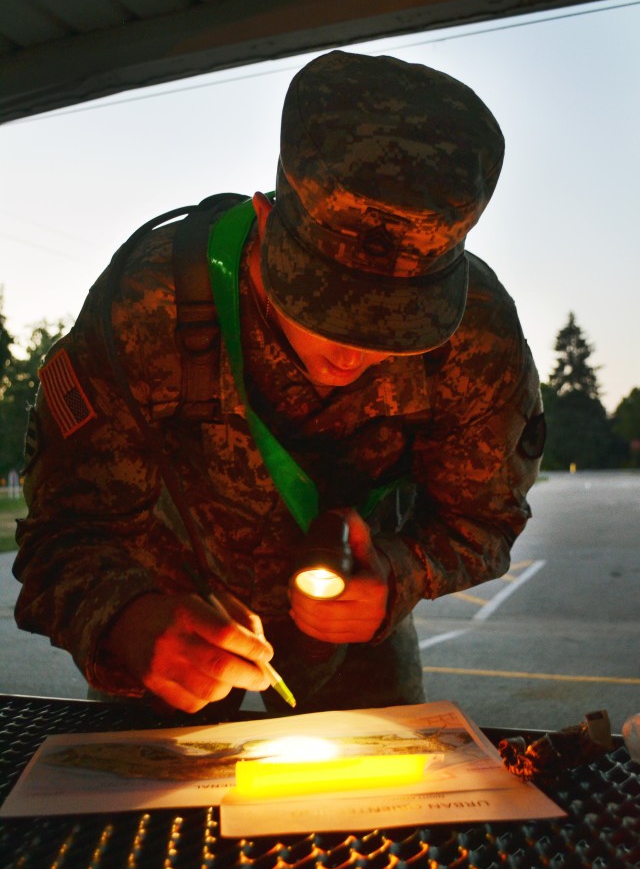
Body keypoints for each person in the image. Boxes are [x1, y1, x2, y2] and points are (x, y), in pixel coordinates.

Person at [12, 50, 544, 717]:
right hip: (172, 620)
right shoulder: (150, 303)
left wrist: (397, 576)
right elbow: (63, 530)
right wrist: (129, 622)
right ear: (266, 223)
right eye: (326, 307)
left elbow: (483, 520)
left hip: (355, 635)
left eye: (396, 327)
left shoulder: (475, 333)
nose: (354, 355)